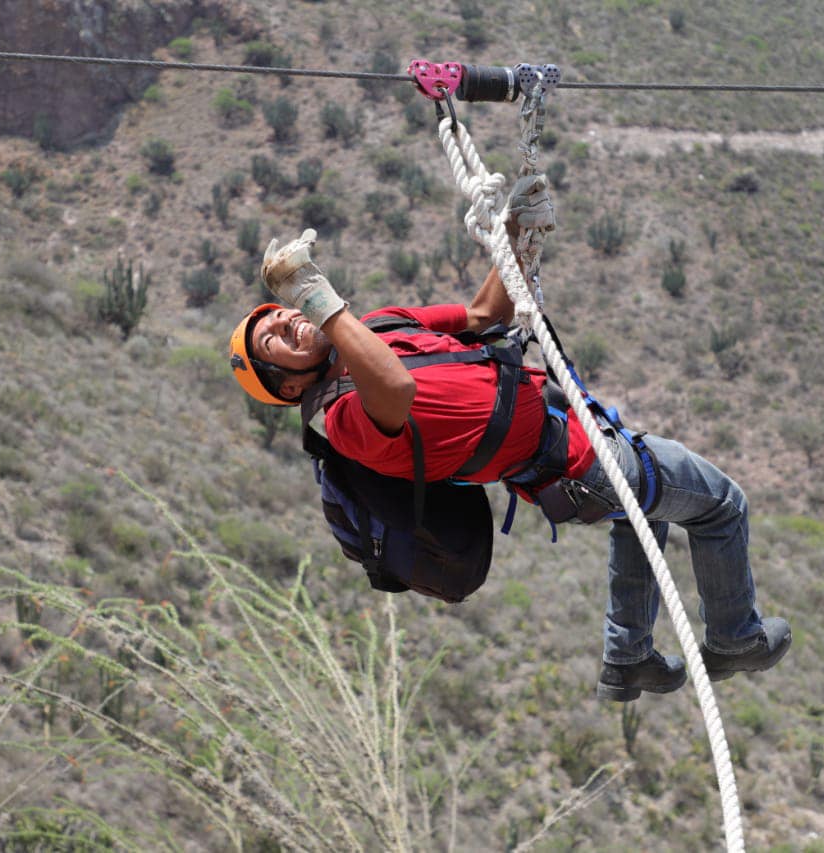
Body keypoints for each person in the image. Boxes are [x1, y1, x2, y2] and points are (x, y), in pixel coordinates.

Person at [228, 177, 791, 702]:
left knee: (640, 514)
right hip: (574, 465)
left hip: (568, 428)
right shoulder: (343, 419)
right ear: (288, 384)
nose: (286, 321)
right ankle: (735, 638)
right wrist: (318, 300)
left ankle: (628, 657)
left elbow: (483, 313)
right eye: (274, 339)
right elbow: (395, 389)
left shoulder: (382, 326)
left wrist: (518, 230)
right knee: (720, 505)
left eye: (279, 314)